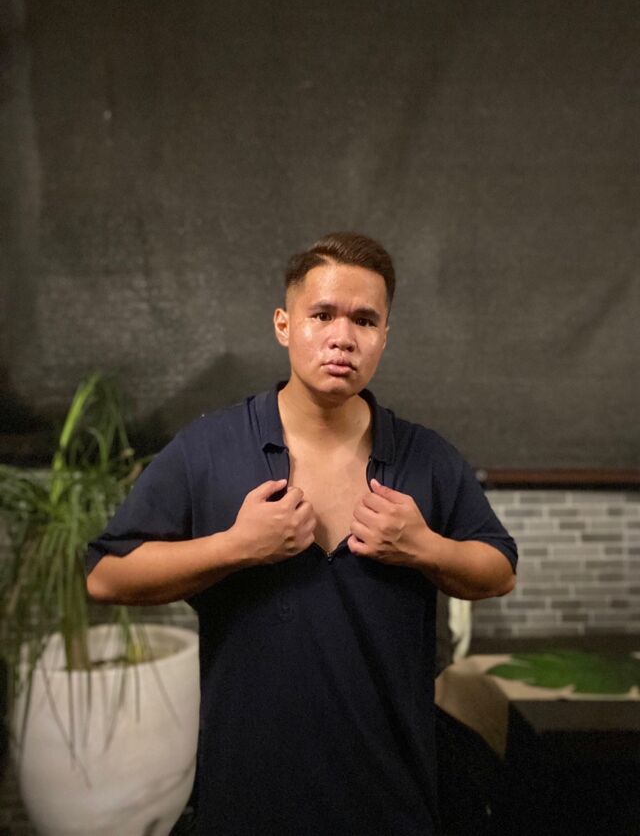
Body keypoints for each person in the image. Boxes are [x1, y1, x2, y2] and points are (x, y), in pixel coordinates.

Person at [86, 231, 517, 836]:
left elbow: (499, 570)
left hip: (394, 802)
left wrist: (425, 547)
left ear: (385, 336)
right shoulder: (209, 448)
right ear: (284, 325)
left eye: (365, 320)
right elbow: (106, 575)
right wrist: (236, 547)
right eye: (322, 315)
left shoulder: (425, 457)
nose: (343, 337)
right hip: (247, 802)